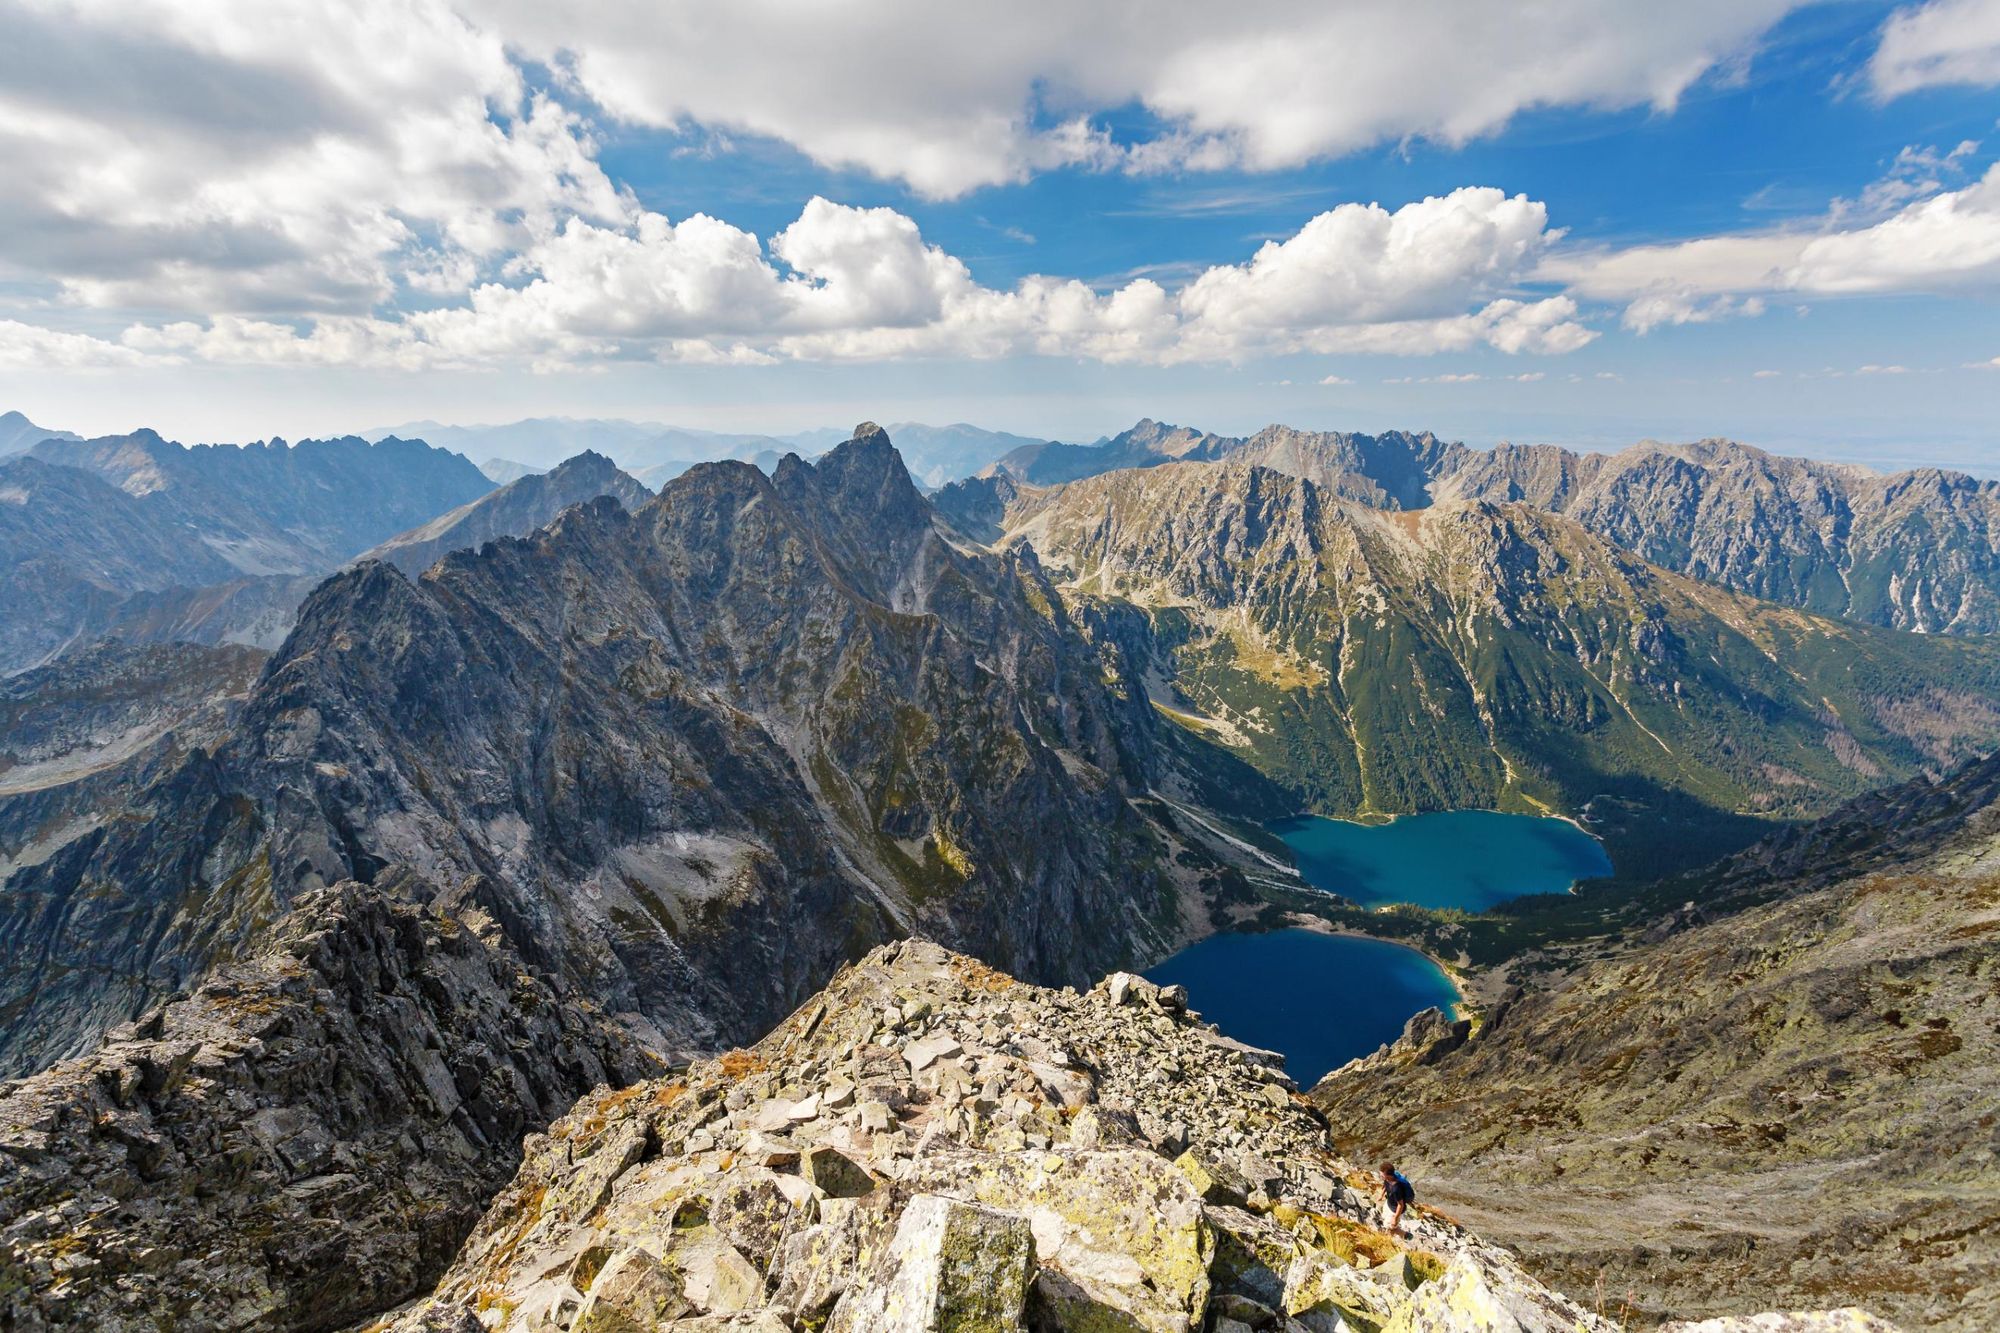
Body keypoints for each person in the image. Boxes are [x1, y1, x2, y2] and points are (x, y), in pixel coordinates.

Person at [1379, 1162, 1415, 1235]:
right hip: (1389, 1204)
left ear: (1387, 1175)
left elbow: (1400, 1205)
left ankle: (1403, 1234)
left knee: (1391, 1226)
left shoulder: (1396, 1189)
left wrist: (1395, 1218)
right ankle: (1391, 1228)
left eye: (1381, 1173)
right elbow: (1385, 1186)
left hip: (1395, 1210)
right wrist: (1381, 1195)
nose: (1380, 1174)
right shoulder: (1387, 1179)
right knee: (1385, 1220)